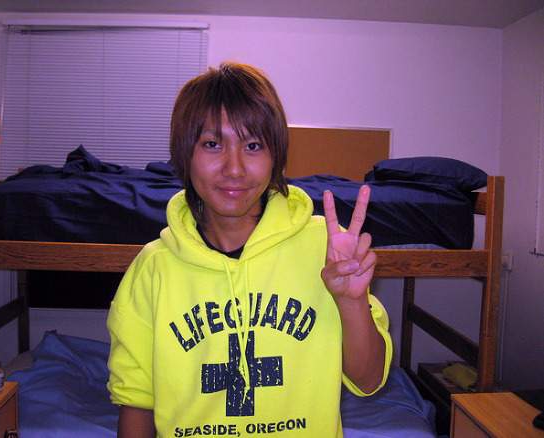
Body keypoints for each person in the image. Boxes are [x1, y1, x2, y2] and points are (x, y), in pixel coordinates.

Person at [107, 62, 392, 438]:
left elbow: (369, 380)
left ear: (276, 156)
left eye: (253, 145)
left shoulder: (327, 250)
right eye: (212, 144)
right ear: (184, 154)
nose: (235, 168)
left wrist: (351, 302)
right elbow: (136, 402)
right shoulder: (153, 267)